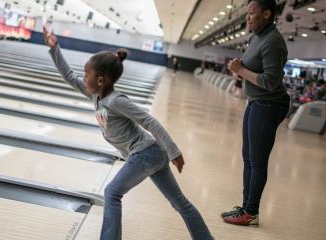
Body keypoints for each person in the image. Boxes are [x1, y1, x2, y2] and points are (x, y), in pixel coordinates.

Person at [43, 27, 214, 240]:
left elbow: (149, 121)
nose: (83, 77)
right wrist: (54, 47)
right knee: (179, 202)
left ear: (101, 80)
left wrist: (174, 152)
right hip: (151, 153)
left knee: (112, 192)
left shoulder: (117, 100)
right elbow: (69, 76)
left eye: (87, 74)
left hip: (146, 153)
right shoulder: (95, 95)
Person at [222, 0, 290, 226]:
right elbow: (253, 71)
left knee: (257, 161)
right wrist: (238, 72)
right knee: (248, 159)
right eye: (247, 14)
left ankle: (251, 212)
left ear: (267, 14)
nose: (247, 18)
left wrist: (241, 70)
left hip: (270, 104)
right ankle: (245, 207)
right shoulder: (256, 37)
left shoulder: (274, 42)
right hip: (256, 102)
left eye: (251, 13)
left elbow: (270, 82)